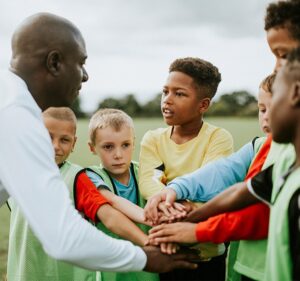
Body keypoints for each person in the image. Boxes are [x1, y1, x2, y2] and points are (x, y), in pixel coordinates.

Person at [0, 12, 198, 273]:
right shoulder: (19, 117)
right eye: (81, 63)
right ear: (55, 62)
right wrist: (145, 258)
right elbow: (63, 237)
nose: (85, 76)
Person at [144, 1, 300, 279]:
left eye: (284, 55)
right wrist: (177, 195)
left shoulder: (224, 138)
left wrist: (195, 228)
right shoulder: (269, 148)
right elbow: (239, 185)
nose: (277, 69)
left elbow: (263, 214)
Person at [7, 107, 161, 280]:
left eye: (64, 140)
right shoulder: (14, 171)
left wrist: (152, 241)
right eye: (47, 137)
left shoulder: (77, 178)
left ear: (73, 144)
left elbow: (110, 216)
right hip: (23, 271)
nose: (55, 146)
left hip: (75, 273)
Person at [148, 73, 275, 281]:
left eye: (275, 107)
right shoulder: (259, 146)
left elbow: (261, 214)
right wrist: (175, 189)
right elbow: (220, 172)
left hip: (279, 268)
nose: (266, 116)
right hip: (244, 267)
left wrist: (198, 229)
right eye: (262, 109)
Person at [139, 57, 234, 281]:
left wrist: (178, 205)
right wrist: (180, 207)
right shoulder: (153, 139)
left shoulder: (218, 138)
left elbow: (212, 186)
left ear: (203, 105)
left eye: (179, 94)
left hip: (208, 255)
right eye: (165, 91)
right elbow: (148, 182)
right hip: (166, 252)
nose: (167, 100)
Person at [86, 108, 160, 281]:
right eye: (108, 147)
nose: (118, 155)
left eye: (125, 145)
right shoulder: (91, 176)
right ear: (92, 148)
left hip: (150, 269)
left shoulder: (145, 171)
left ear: (134, 143)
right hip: (112, 271)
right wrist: (152, 217)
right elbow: (113, 200)